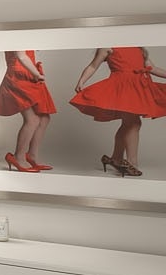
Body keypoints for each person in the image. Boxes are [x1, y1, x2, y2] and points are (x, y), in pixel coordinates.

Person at [69, 46, 166, 177]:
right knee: (133, 123)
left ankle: (115, 158)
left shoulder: (138, 48)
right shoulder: (108, 47)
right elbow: (93, 66)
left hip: (139, 86)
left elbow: (152, 68)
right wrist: (81, 81)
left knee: (128, 124)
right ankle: (132, 163)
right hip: (123, 87)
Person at [0, 50, 56, 171]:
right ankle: (18, 157)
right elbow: (21, 56)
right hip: (19, 75)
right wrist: (37, 74)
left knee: (44, 118)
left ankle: (31, 156)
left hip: (28, 73)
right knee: (32, 119)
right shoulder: (16, 33)